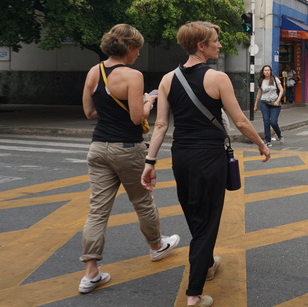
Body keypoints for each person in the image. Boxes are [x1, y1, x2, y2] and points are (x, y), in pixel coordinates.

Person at [142, 21, 270, 307]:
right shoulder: (218, 78)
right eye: (215, 40)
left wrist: (150, 161)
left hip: (181, 156)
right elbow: (239, 121)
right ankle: (194, 295)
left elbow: (161, 124)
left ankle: (208, 262)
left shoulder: (167, 79)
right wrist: (261, 144)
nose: (220, 45)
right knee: (207, 222)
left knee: (194, 214)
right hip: (209, 157)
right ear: (201, 46)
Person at [79, 24, 180, 294]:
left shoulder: (94, 71)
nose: (138, 54)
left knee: (97, 210)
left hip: (98, 147)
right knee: (142, 201)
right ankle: (157, 246)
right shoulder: (132, 76)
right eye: (138, 49)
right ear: (130, 48)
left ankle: (90, 273)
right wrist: (149, 101)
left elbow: (89, 112)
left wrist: (112, 110)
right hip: (127, 147)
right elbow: (138, 118)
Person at [255, 65, 284, 146]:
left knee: (273, 122)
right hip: (264, 102)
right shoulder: (261, 81)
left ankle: (279, 135)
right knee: (266, 121)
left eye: (268, 70)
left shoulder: (275, 79)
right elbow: (259, 93)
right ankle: (268, 140)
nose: (267, 72)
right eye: (265, 70)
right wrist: (255, 105)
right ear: (263, 72)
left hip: (275, 102)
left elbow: (281, 90)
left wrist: (278, 100)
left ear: (270, 71)